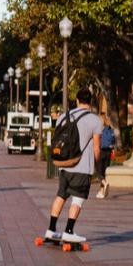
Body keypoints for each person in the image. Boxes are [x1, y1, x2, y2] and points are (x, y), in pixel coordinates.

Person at [43, 87, 103, 244]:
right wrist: (96, 167)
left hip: (64, 164)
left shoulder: (64, 116)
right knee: (77, 199)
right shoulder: (95, 120)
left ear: (77, 100)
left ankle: (51, 229)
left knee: (60, 196)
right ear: (91, 101)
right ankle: (69, 231)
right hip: (82, 167)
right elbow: (97, 147)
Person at [96, 112, 116, 199]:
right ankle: (101, 191)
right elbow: (113, 140)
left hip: (101, 151)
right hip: (108, 151)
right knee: (104, 172)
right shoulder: (110, 128)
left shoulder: (99, 129)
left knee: (98, 171)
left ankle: (104, 183)